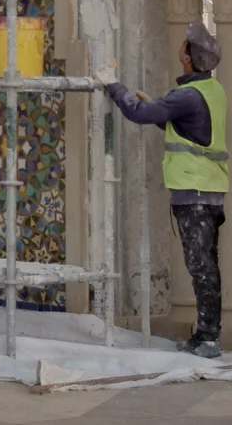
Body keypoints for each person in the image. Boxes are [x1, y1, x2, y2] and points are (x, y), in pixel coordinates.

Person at [99, 21, 227, 359]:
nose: (181, 47)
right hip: (207, 190)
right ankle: (204, 335)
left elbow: (138, 113)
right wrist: (160, 109)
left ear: (188, 58)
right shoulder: (210, 90)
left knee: (201, 267)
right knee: (205, 265)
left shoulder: (187, 96)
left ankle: (209, 338)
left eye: (185, 45)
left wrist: (114, 86)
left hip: (195, 191)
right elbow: (188, 128)